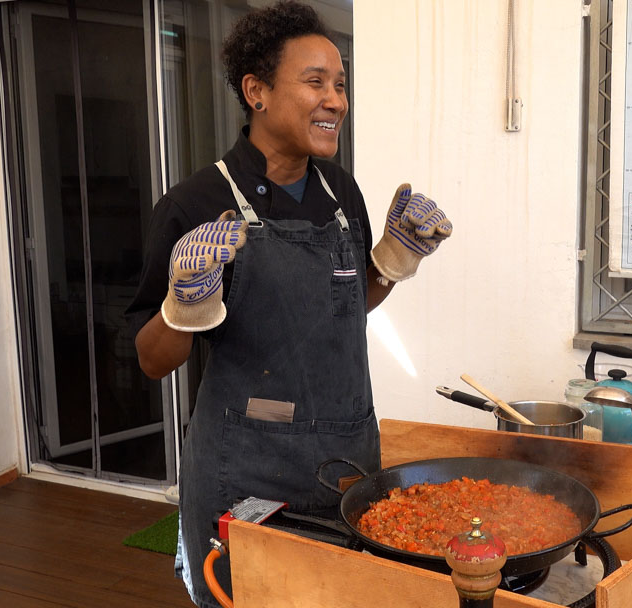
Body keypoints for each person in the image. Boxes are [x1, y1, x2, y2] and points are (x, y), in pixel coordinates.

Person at [125, 3, 452, 606]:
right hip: (245, 471)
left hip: (345, 461)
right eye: (315, 82)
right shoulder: (195, 203)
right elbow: (151, 359)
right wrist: (183, 305)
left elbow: (342, 311)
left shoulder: (340, 191)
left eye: (341, 84)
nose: (336, 100)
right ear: (257, 92)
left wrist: (392, 263)